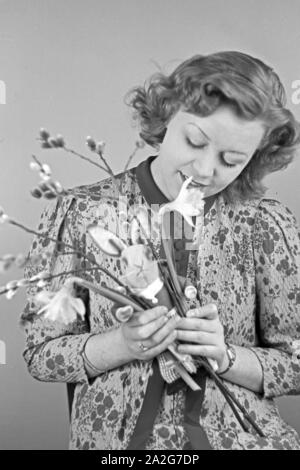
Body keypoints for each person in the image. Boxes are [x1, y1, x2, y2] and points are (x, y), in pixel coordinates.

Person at [22, 51, 300, 450]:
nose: (204, 171)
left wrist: (226, 357)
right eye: (195, 141)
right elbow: (40, 354)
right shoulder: (83, 213)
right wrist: (121, 343)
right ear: (168, 113)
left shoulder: (264, 224)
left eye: (232, 160)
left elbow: (295, 361)